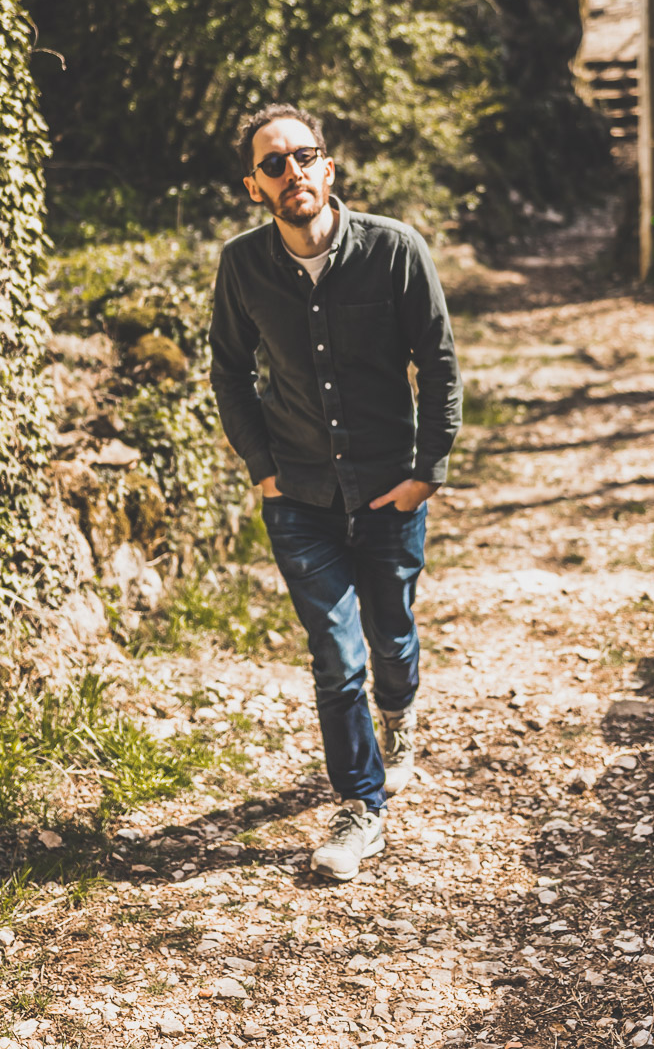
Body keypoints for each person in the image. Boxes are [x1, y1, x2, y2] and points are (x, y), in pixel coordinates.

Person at [208, 104, 462, 881]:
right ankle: (361, 808)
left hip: (391, 491)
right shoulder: (243, 265)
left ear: (328, 167)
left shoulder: (395, 251)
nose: (292, 173)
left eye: (303, 156)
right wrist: (263, 467)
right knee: (336, 657)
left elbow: (441, 365)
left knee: (391, 638)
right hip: (301, 499)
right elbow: (229, 370)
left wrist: (427, 473)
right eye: (274, 164)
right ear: (256, 186)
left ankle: (402, 717)